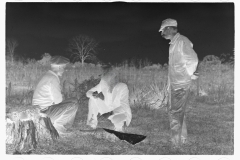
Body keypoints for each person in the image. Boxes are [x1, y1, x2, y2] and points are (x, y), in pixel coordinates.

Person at [159, 18, 199, 147]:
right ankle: (182, 139)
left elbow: (192, 60)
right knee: (178, 111)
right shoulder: (173, 44)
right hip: (175, 84)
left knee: (175, 113)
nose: (162, 33)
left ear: (170, 28)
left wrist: (188, 74)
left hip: (180, 84)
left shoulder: (182, 41)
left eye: (163, 30)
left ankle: (176, 144)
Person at [32, 56, 79, 135]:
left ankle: (58, 125)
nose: (64, 70)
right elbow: (58, 100)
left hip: (41, 110)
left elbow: (55, 100)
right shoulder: (53, 78)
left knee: (74, 100)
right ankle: (60, 127)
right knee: (74, 104)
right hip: (44, 113)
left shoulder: (48, 75)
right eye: (63, 67)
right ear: (59, 67)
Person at [86, 67, 132, 132]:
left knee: (117, 119)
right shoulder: (104, 84)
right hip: (107, 109)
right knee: (92, 99)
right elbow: (88, 93)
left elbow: (124, 107)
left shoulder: (122, 87)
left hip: (119, 112)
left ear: (113, 76)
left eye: (106, 75)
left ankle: (119, 129)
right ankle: (92, 125)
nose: (103, 78)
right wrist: (93, 94)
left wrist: (110, 113)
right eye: (103, 75)